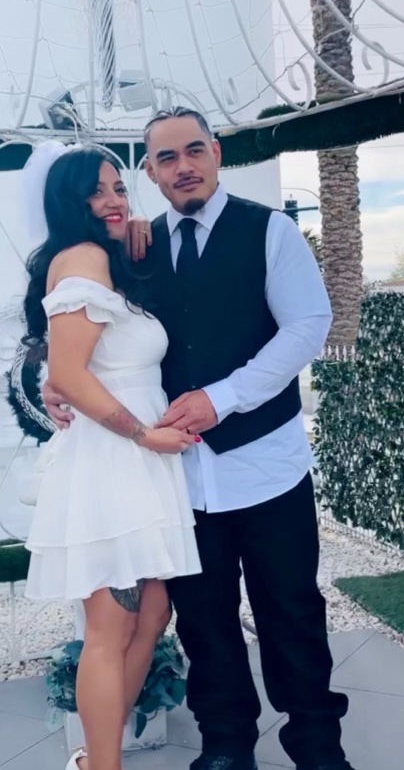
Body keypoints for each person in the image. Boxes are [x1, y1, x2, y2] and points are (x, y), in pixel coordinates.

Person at [44, 107, 354, 770]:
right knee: (204, 621)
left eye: (193, 151)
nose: (182, 166)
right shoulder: (136, 247)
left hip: (267, 465)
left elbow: (307, 326)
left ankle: (316, 745)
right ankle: (226, 745)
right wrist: (53, 378)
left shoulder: (269, 230)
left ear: (215, 154)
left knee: (292, 613)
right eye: (166, 158)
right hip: (177, 480)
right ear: (153, 173)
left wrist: (223, 397)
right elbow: (90, 330)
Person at [23, 143, 202, 770]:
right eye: (96, 192)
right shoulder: (83, 258)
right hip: (115, 462)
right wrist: (146, 435)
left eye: (119, 188)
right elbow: (69, 374)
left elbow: (71, 363)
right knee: (110, 626)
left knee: (150, 613)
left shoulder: (106, 259)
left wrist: (133, 229)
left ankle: (94, 759)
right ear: (68, 204)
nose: (113, 200)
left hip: (137, 465)